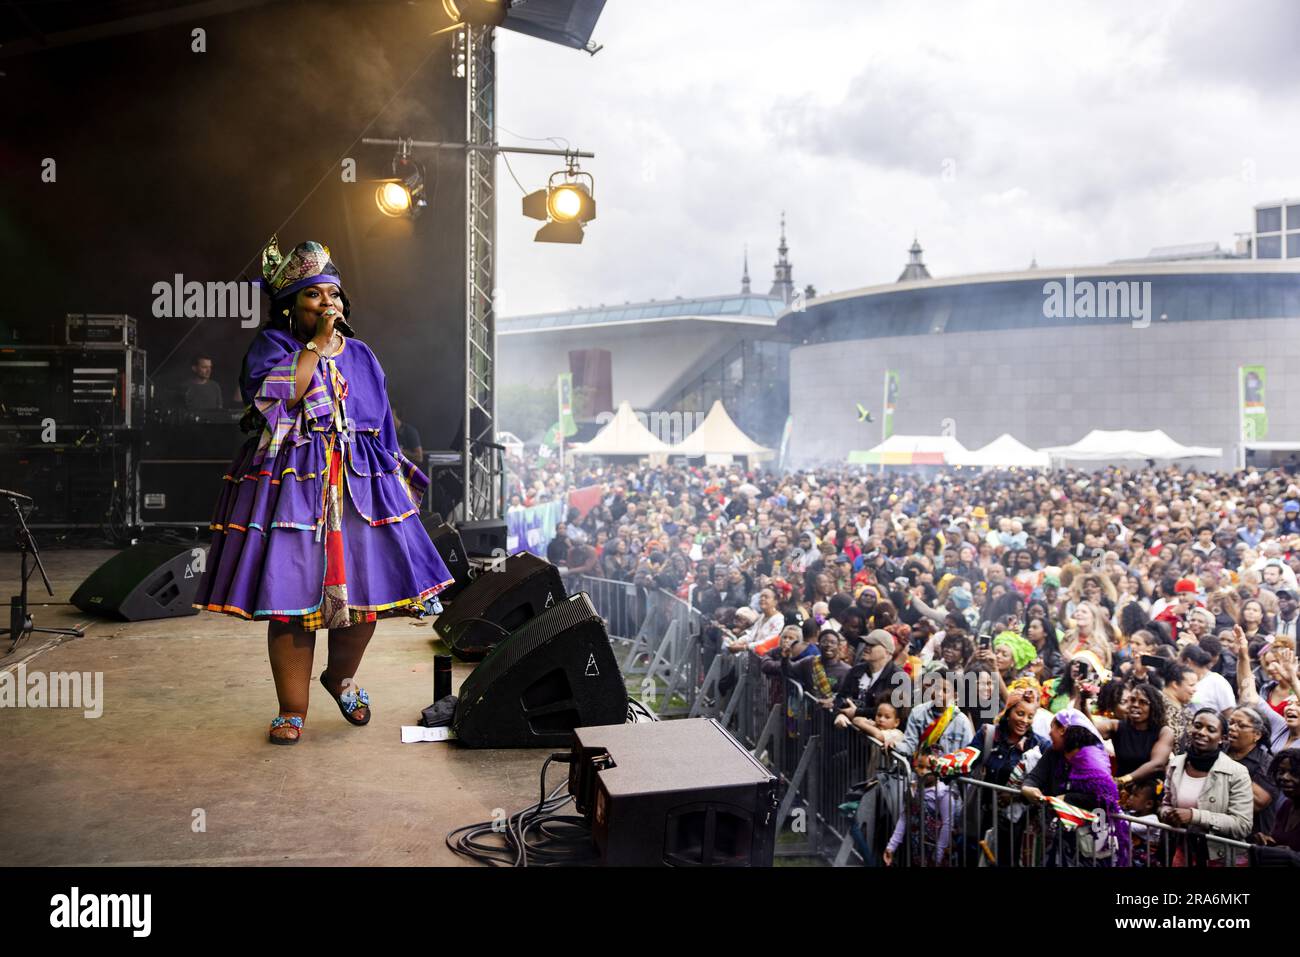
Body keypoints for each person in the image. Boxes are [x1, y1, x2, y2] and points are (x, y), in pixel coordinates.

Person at [196, 238, 455, 744]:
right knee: (292, 595)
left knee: (365, 592)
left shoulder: (362, 354)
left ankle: (341, 677)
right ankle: (293, 707)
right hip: (295, 485)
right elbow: (276, 401)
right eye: (312, 295)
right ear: (291, 305)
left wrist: (398, 479)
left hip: (360, 483)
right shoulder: (273, 347)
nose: (326, 303)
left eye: (332, 294)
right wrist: (314, 345)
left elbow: (381, 422)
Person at [1159, 708, 1253, 865]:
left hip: (1220, 857)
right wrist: (1168, 814)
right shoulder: (1176, 764)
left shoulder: (1237, 772)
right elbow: (1166, 803)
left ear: (1222, 738)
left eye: (1211, 729)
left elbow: (1242, 824)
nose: (1201, 732)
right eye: (1197, 726)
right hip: (1183, 853)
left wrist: (1194, 816)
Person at [1090, 682, 1174, 787]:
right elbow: (1087, 730)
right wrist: (1083, 701)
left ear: (1153, 707)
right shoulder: (1116, 726)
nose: (1135, 705)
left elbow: (1157, 764)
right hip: (1119, 789)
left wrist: (1125, 780)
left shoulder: (1164, 732)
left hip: (1148, 794)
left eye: (1142, 702)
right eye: (1132, 700)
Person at [1225, 706, 1280, 840]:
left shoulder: (1267, 763)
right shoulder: (1220, 751)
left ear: (1257, 735)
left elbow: (1256, 803)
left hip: (1250, 840)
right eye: (1231, 723)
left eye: (1241, 725)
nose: (1232, 728)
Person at [1260, 749, 1300, 852]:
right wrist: (1267, 842)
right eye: (1281, 772)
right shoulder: (1287, 806)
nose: (1284, 777)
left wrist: (1293, 856)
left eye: (1294, 773)